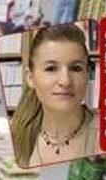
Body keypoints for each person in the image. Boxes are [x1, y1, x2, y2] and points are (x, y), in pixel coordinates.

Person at [11, 23, 98, 168]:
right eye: (51, 69)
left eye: (76, 68)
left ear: (87, 75)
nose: (65, 81)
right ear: (31, 78)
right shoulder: (17, 133)